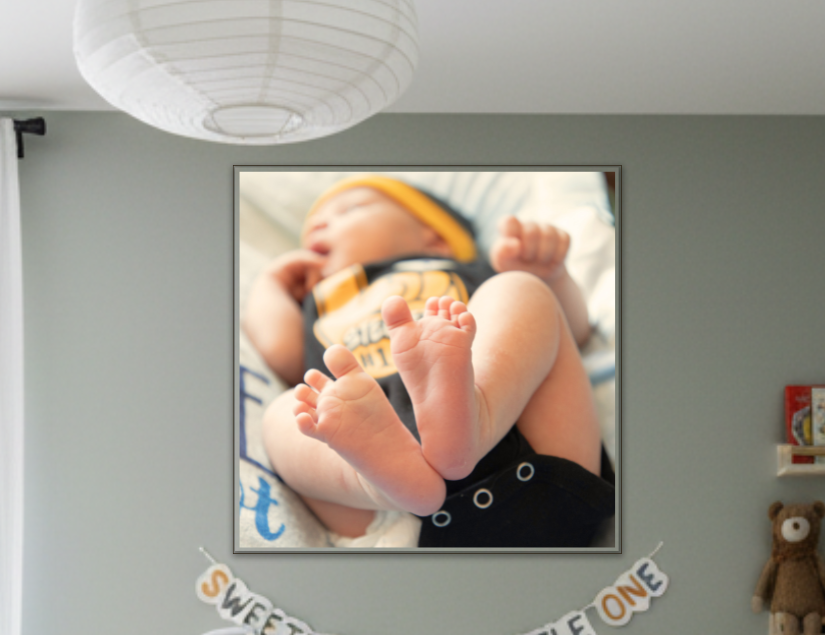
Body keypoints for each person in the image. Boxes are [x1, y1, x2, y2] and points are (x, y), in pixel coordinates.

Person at [241, 175, 615, 549]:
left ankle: (475, 419)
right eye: (314, 226)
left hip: (534, 461)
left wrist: (548, 275)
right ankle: (375, 480)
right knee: (286, 411)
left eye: (349, 210)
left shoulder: (471, 271)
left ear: (435, 238)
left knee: (522, 290)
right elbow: (281, 354)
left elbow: (573, 331)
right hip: (393, 510)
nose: (320, 224)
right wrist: (271, 284)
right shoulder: (319, 303)